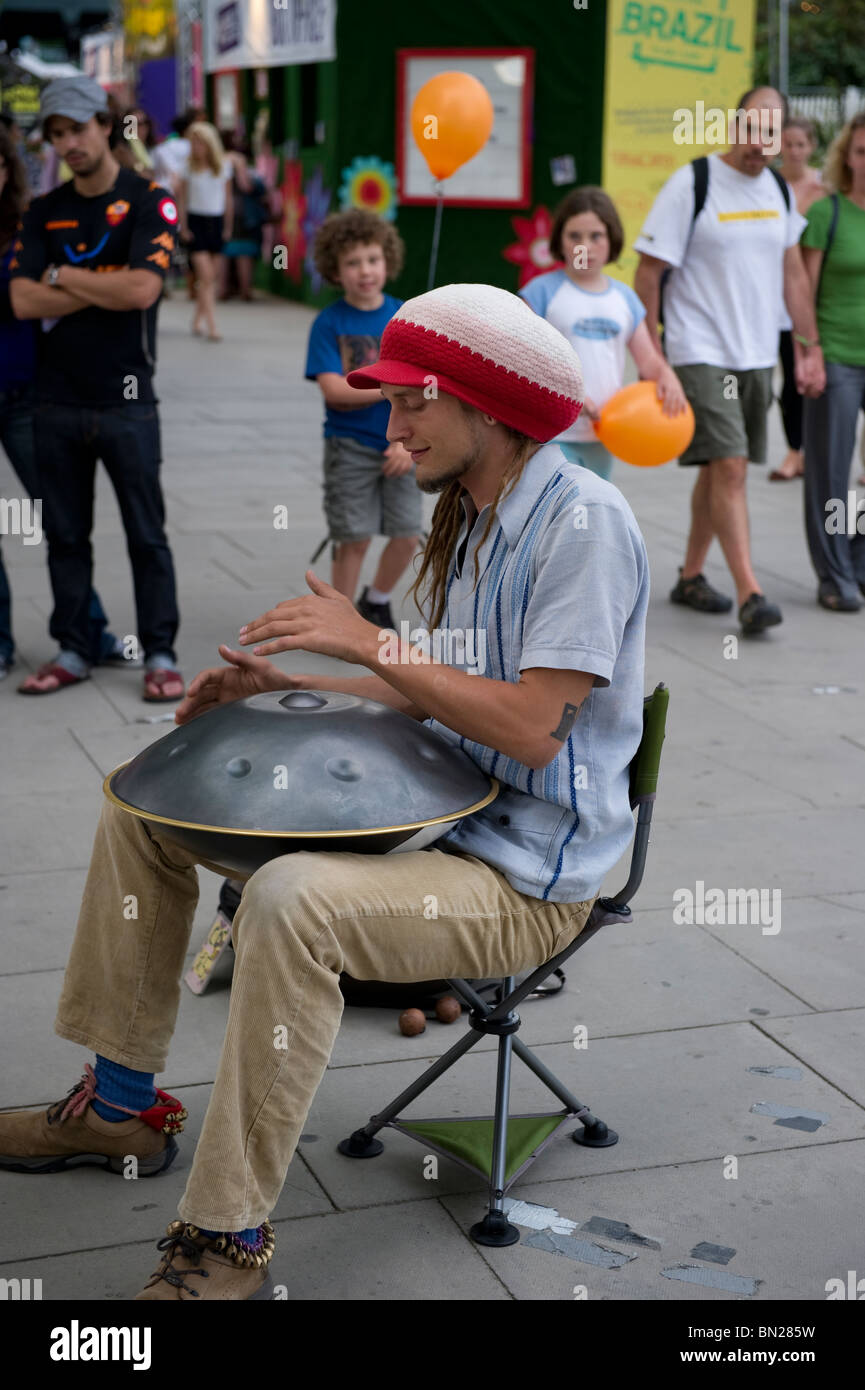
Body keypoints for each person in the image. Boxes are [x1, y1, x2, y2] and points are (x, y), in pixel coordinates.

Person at [0, 282, 649, 1301]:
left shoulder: (583, 524)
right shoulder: (474, 518)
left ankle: (226, 1237)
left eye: (412, 402)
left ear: (485, 403)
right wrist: (287, 689)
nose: (389, 424)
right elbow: (446, 700)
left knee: (291, 901)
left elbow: (528, 723)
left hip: (527, 880)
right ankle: (119, 1101)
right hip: (449, 825)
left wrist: (372, 639)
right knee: (142, 807)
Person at [9, 75, 184, 700]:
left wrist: (62, 273)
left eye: (77, 128)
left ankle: (159, 653)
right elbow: (22, 300)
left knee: (146, 533)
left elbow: (143, 290)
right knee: (64, 537)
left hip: (128, 399)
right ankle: (74, 648)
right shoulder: (43, 209)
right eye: (56, 134)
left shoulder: (149, 200)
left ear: (105, 126)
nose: (68, 143)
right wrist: (95, 284)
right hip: (55, 400)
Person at [633, 87, 825, 635]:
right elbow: (648, 272)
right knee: (734, 467)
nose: (758, 146)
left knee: (722, 466)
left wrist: (808, 349)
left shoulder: (778, 191)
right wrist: (653, 354)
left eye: (771, 135)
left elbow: (792, 274)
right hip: (699, 348)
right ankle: (751, 592)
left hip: (758, 353)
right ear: (731, 126)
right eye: (750, 131)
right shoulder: (692, 183)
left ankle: (691, 575)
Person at [0, 126, 132, 680]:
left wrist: (52, 290)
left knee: (60, 522)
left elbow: (38, 300)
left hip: (28, 391)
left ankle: (89, 631)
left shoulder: (29, 223)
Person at [519, 186, 687, 480]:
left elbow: (648, 361)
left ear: (612, 240)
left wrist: (667, 375)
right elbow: (520, 358)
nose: (585, 246)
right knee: (555, 517)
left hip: (604, 436)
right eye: (575, 236)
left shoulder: (625, 299)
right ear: (559, 239)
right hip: (550, 433)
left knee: (590, 517)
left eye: (595, 236)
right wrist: (568, 393)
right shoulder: (538, 293)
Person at [305, 208, 419, 628]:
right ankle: (341, 618)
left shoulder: (406, 315)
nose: (364, 270)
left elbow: (424, 388)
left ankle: (377, 599)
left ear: (387, 260)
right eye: (352, 263)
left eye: (372, 259)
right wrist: (394, 386)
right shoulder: (329, 322)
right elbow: (334, 390)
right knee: (353, 537)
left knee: (407, 534)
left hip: (404, 445)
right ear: (336, 270)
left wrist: (405, 442)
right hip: (348, 446)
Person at [799, 113, 865, 611]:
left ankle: (858, 560)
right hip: (838, 357)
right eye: (860, 152)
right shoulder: (828, 214)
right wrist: (810, 350)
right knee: (831, 471)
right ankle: (834, 574)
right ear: (846, 158)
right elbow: (802, 288)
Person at [771, 117, 824, 481]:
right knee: (788, 379)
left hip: (811, 298)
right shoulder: (767, 184)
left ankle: (818, 451)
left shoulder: (826, 188)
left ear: (812, 147)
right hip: (772, 299)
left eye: (800, 145)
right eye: (787, 144)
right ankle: (794, 451)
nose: (793, 151)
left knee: (814, 377)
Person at [177, 121, 232, 342]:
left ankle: (198, 318)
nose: (197, 147)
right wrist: (183, 226)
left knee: (211, 278)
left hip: (216, 221)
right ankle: (212, 325)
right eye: (194, 143)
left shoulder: (223, 166)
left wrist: (228, 227)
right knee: (206, 276)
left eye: (200, 143)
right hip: (196, 221)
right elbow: (182, 200)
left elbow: (228, 200)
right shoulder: (187, 168)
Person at [219, 132, 265, 302]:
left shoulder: (217, 158)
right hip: (241, 211)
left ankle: (222, 288)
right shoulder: (238, 159)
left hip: (218, 209)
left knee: (224, 250)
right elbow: (246, 186)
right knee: (243, 251)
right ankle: (246, 290)